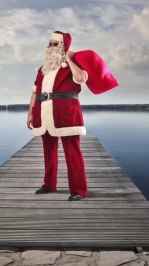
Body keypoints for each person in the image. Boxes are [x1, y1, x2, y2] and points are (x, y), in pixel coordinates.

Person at [26, 31, 88, 201]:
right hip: (44, 111)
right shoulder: (43, 68)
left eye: (55, 44)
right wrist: (31, 112)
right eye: (50, 44)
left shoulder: (73, 64)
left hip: (66, 112)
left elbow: (81, 78)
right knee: (48, 150)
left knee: (72, 152)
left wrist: (68, 58)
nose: (50, 47)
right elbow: (34, 91)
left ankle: (79, 189)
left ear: (63, 46)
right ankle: (49, 184)